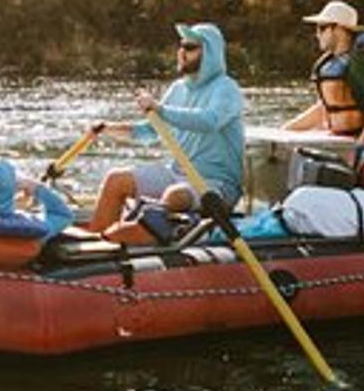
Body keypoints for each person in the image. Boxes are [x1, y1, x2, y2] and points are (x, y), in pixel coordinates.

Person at [84, 22, 245, 241]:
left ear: (210, 53)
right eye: (181, 46)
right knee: (116, 180)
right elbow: (150, 131)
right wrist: (108, 128)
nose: (182, 52)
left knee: (175, 195)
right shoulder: (178, 88)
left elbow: (210, 121)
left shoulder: (226, 88)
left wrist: (160, 109)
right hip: (176, 173)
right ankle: (94, 246)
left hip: (215, 184)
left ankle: (133, 235)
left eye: (190, 47)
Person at [286, 0, 364, 181]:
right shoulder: (326, 64)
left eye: (321, 28)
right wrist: (286, 130)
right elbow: (324, 109)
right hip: (341, 143)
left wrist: (360, 145)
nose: (317, 35)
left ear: (337, 29)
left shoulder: (359, 61)